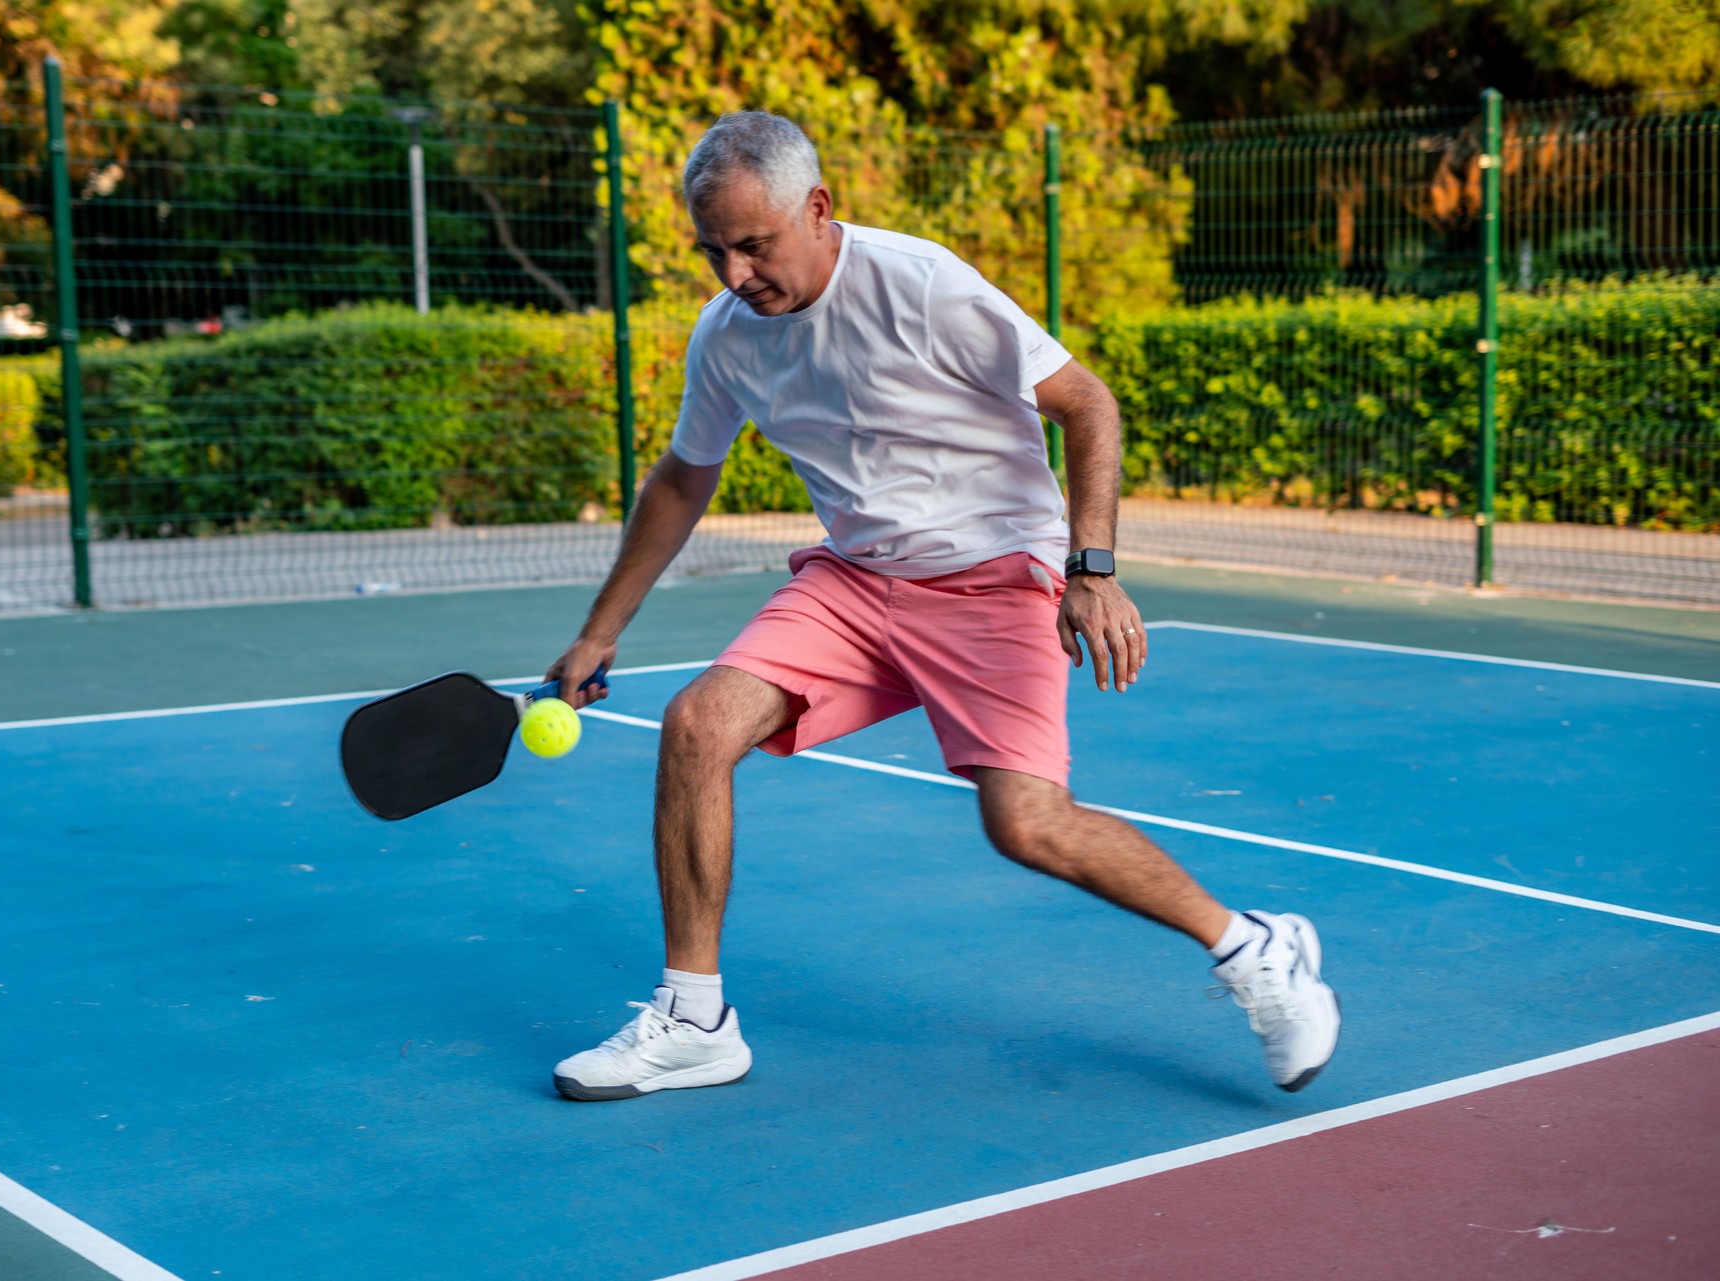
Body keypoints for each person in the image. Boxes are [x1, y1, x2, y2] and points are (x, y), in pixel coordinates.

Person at [544, 111, 1340, 1102]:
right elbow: (681, 479)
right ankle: (695, 1019)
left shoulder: (922, 285)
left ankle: (1253, 948)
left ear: (819, 210)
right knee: (697, 724)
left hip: (994, 578)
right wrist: (601, 629)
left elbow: (1088, 404)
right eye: (714, 251)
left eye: (753, 245)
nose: (735, 273)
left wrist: (1091, 569)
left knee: (1027, 824)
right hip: (856, 581)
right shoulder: (730, 336)